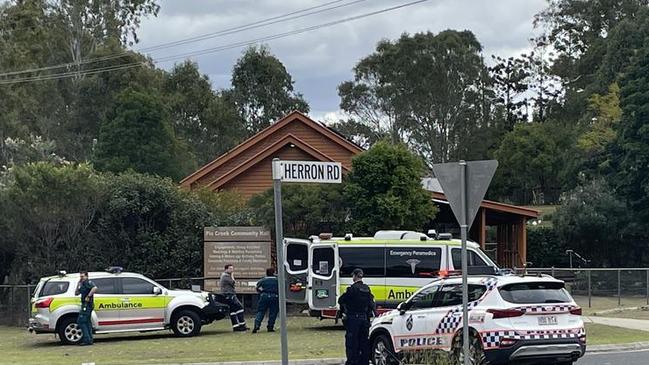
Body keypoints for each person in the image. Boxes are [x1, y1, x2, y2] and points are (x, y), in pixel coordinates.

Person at [338, 268, 375, 365]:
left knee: (352, 342)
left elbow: (341, 300)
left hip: (353, 319)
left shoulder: (352, 289)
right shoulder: (367, 289)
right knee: (363, 342)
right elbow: (371, 304)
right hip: (364, 320)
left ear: (354, 276)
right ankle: (364, 362)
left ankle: (352, 362)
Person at [220, 264, 248, 332]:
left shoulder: (225, 275)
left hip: (228, 295)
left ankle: (236, 326)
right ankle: (242, 325)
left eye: (232, 268)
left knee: (233, 310)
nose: (232, 270)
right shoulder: (225, 276)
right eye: (230, 268)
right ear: (226, 269)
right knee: (240, 307)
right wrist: (232, 276)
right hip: (230, 295)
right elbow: (233, 283)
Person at [252, 268, 279, 333]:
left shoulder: (263, 280)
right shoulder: (277, 280)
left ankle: (257, 325)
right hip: (274, 296)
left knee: (261, 311)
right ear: (274, 272)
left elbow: (257, 287)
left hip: (264, 296)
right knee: (273, 312)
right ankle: (270, 327)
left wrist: (261, 292)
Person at [75, 271, 97, 346]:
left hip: (87, 305)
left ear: (86, 276)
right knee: (87, 322)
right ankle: (90, 340)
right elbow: (76, 293)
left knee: (81, 321)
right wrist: (78, 284)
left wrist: (88, 296)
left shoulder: (88, 282)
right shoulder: (82, 284)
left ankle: (87, 339)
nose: (81, 278)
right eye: (80, 276)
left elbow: (94, 288)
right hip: (84, 305)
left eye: (82, 276)